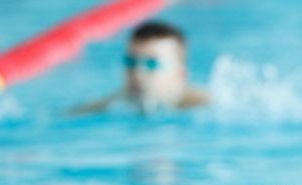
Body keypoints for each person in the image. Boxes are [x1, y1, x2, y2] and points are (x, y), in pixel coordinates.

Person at [71, 21, 208, 115]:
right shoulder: (117, 100)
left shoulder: (200, 106)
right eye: (131, 62)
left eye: (151, 64)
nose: (138, 73)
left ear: (180, 75)